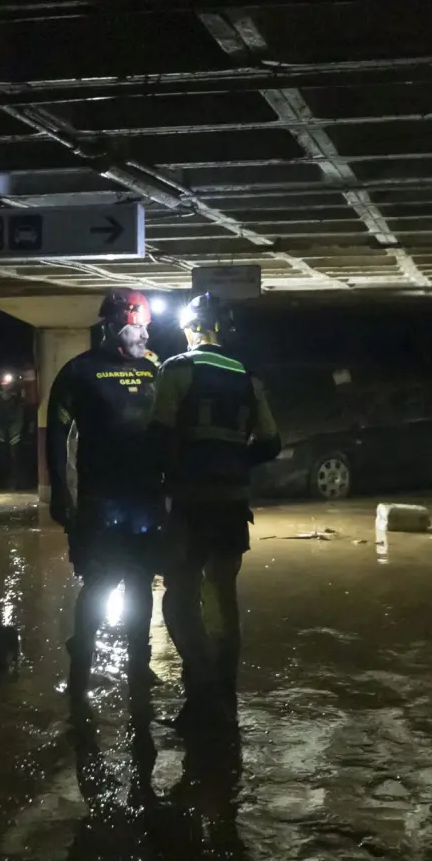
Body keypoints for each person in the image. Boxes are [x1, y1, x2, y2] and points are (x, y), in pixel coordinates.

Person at [150, 294, 281, 731]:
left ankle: (200, 690)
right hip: (231, 504)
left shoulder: (176, 368)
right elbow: (270, 443)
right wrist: (233, 460)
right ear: (222, 329)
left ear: (190, 327)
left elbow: (157, 434)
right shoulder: (248, 376)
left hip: (188, 504)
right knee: (222, 596)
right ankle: (224, 694)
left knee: (179, 596)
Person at [45, 289, 163, 696]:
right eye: (138, 325)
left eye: (147, 326)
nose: (145, 334)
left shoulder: (155, 369)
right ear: (114, 325)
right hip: (100, 500)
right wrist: (60, 493)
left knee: (141, 583)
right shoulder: (79, 373)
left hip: (147, 499)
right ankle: (81, 668)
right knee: (99, 583)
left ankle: (139, 665)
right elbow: (56, 437)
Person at [0, 368, 32, 489]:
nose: (4, 380)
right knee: (0, 454)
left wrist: (22, 426)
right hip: (0, 425)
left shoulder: (17, 391)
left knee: (14, 454)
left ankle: (15, 482)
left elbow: (23, 408)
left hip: (14, 426)